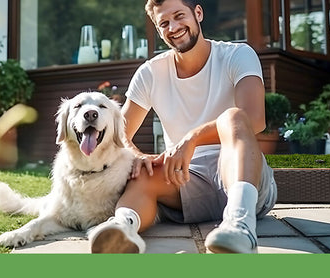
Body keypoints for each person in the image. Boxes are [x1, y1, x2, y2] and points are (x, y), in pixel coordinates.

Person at [88, 0, 277, 253]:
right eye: (164, 23)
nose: (173, 27)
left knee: (233, 117)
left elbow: (255, 119)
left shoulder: (237, 55)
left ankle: (240, 227)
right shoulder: (151, 73)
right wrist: (139, 157)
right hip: (186, 180)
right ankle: (122, 229)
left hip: (244, 174)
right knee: (143, 172)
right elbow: (118, 134)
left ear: (198, 13)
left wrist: (193, 138)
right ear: (158, 29)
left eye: (179, 16)